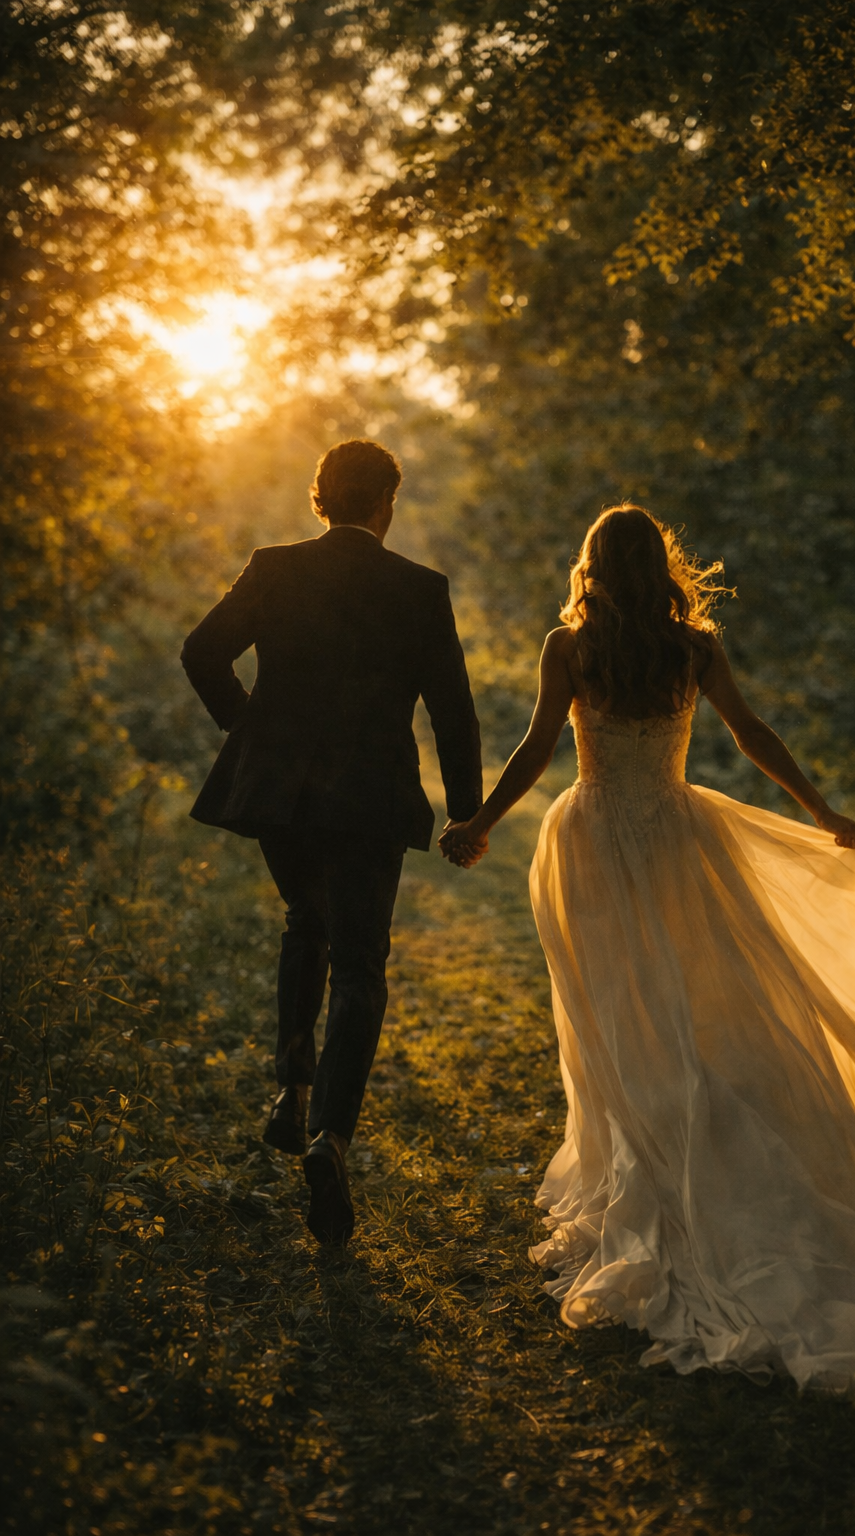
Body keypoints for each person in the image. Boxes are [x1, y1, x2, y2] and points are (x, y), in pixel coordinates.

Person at [441, 504, 855, 1400]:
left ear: (593, 568)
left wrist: (482, 820)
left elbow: (539, 745)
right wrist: (821, 810)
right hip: (677, 834)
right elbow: (753, 736)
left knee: (625, 1015)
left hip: (591, 837)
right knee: (700, 1003)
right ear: (660, 567)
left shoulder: (572, 648)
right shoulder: (694, 649)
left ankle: (662, 1157)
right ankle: (689, 1146)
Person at [182, 439, 481, 1246]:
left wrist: (249, 728)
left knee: (303, 924)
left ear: (320, 499)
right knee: (359, 964)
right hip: (369, 799)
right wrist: (466, 813)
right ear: (386, 502)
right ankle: (330, 1138)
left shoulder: (274, 568)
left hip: (281, 794)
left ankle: (292, 1087)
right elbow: (452, 708)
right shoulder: (419, 588)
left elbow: (201, 651)